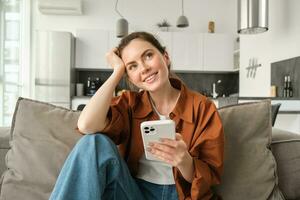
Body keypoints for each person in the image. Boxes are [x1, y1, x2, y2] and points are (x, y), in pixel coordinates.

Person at [50, 32, 224, 200]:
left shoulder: (202, 107)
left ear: (166, 57)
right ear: (130, 78)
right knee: (93, 142)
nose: (144, 68)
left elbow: (210, 178)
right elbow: (86, 125)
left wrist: (184, 161)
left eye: (148, 56)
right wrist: (117, 71)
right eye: (132, 66)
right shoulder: (129, 104)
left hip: (180, 195)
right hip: (134, 192)